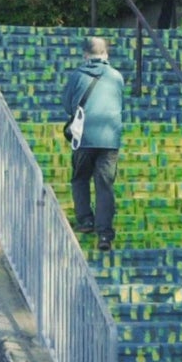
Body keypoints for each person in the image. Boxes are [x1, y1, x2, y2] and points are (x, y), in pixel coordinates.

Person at [61, 36, 125, 255]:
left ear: (85, 55)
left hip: (84, 137)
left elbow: (68, 105)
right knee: (104, 185)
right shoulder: (116, 77)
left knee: (80, 178)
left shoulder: (77, 76)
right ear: (105, 55)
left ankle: (85, 220)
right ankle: (105, 233)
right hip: (110, 139)